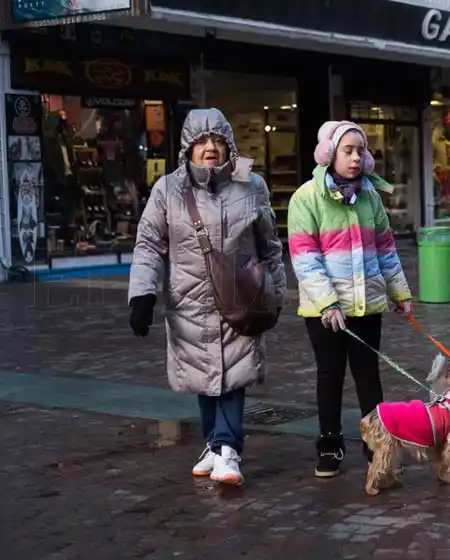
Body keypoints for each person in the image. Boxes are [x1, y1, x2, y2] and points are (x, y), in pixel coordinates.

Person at [127, 108, 287, 486]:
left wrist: (276, 291)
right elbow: (148, 244)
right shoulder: (168, 189)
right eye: (201, 141)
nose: (210, 148)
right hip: (190, 302)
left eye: (217, 140)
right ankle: (216, 444)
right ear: (188, 148)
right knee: (204, 377)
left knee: (233, 375)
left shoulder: (251, 185)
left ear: (229, 145)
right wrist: (142, 294)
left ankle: (229, 449)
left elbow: (270, 246)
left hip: (241, 299)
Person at [288, 120, 413, 478]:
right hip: (324, 311)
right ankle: (330, 445)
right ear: (329, 153)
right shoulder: (306, 198)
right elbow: (305, 257)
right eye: (348, 150)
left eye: (361, 150)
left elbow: (386, 250)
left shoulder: (370, 197)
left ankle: (377, 447)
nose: (356, 157)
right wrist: (327, 303)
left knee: (368, 376)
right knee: (330, 375)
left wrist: (399, 292)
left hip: (367, 305)